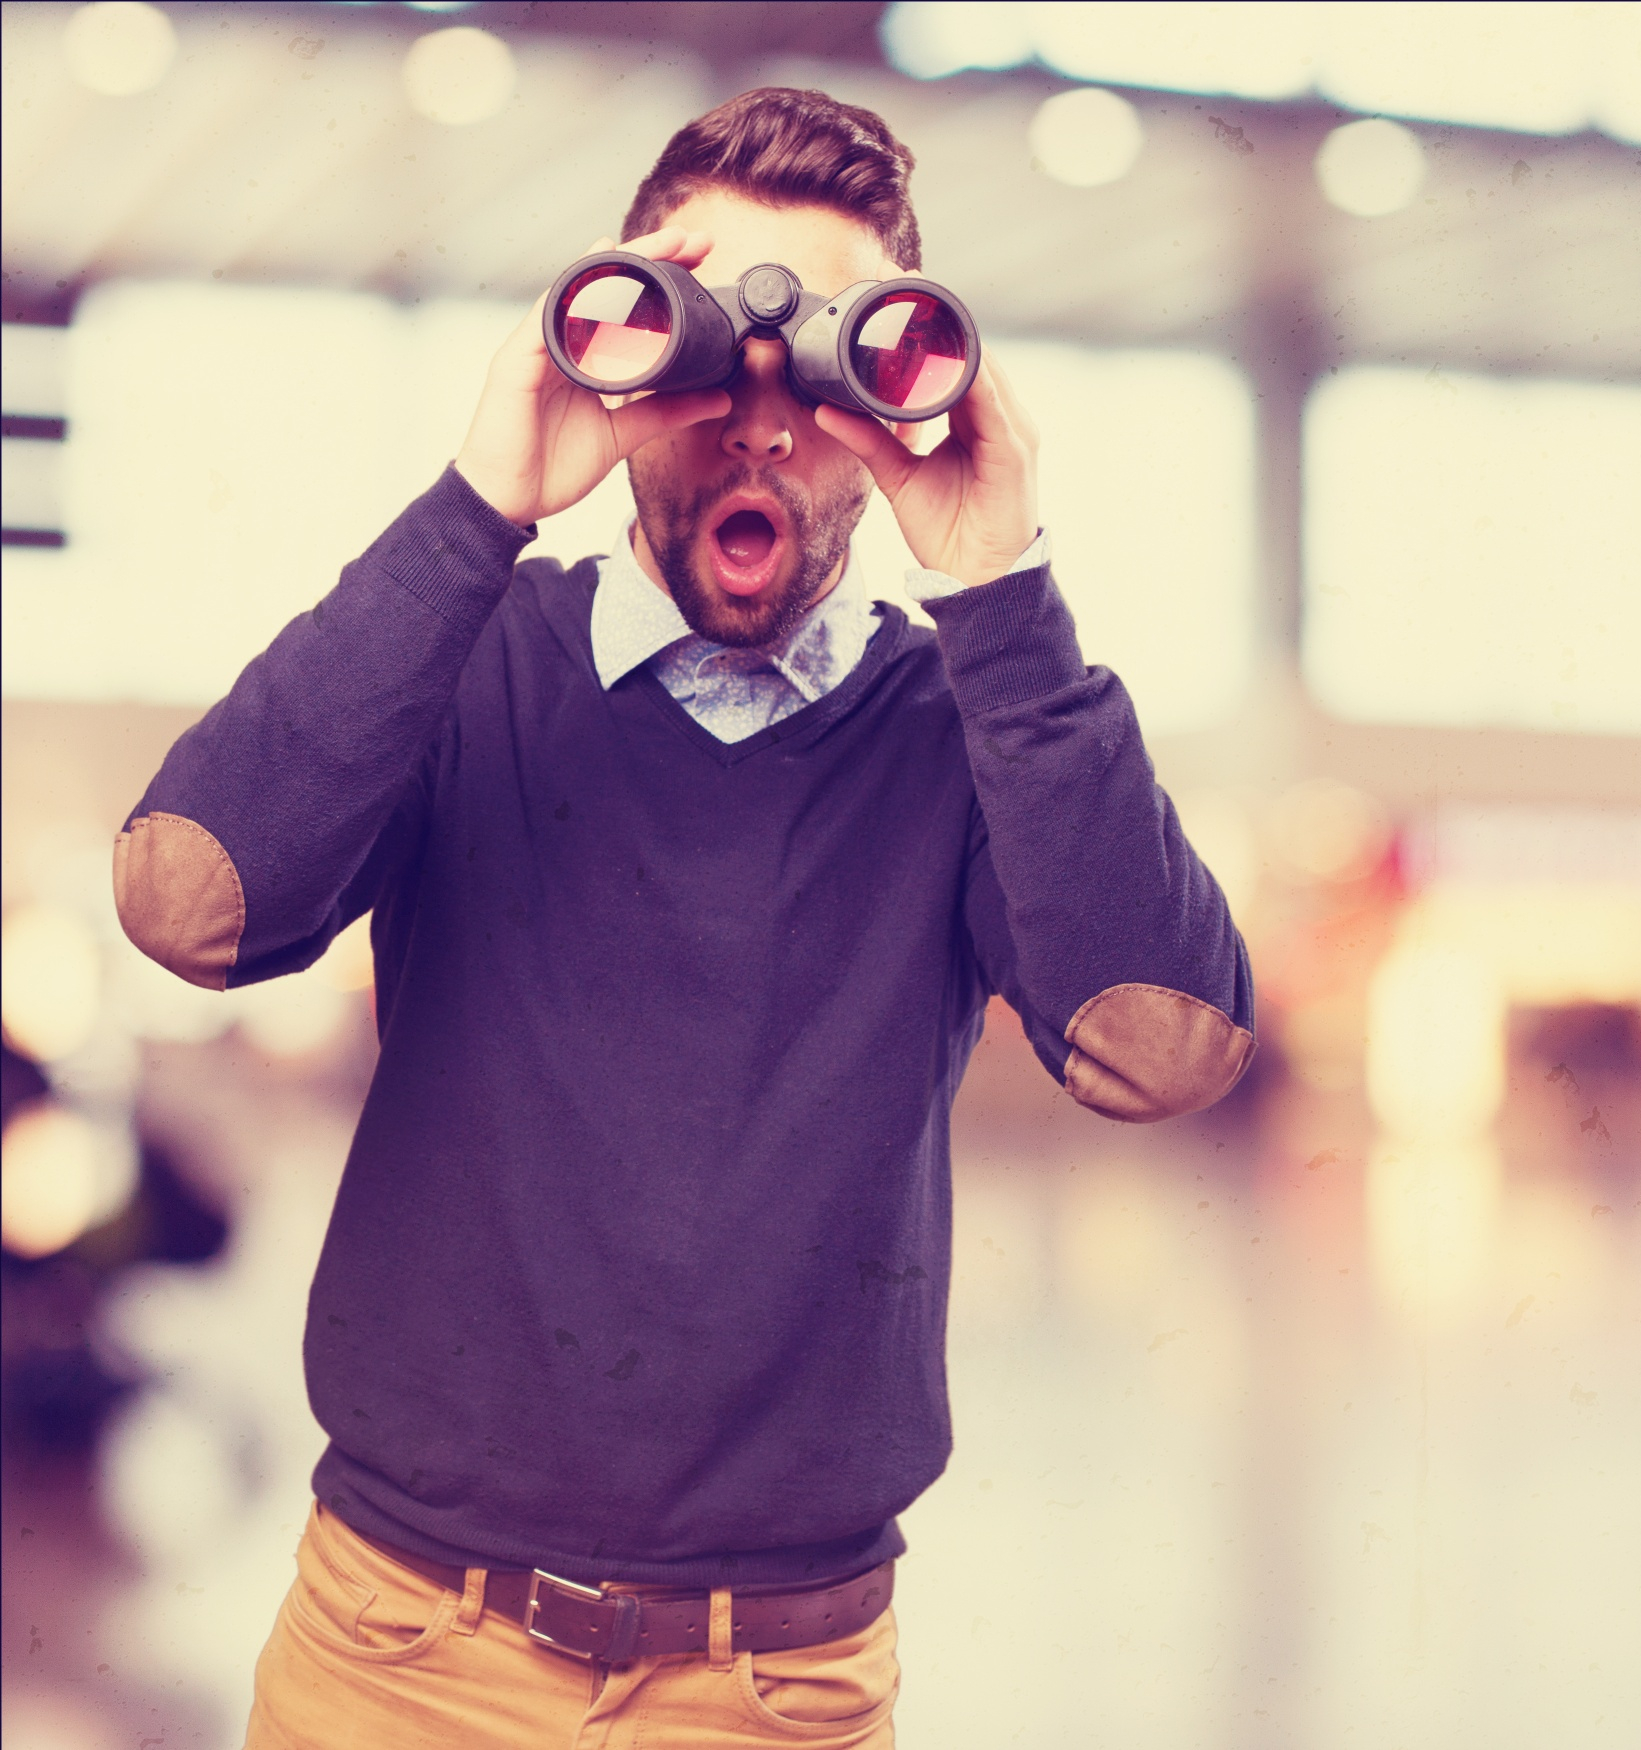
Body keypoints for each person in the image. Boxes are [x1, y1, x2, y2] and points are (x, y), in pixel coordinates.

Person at [114, 87, 1254, 1748]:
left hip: (775, 1687)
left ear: (906, 396)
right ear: (623, 362)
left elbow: (1170, 1050)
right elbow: (182, 903)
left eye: (828, 372)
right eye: (711, 354)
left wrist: (1004, 588)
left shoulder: (966, 730)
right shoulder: (468, 653)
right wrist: (478, 501)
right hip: (395, 1653)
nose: (764, 424)